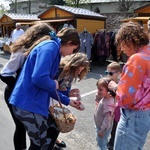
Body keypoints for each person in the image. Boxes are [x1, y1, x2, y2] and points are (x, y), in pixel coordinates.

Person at [8, 22, 81, 150]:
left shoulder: (53, 49)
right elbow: (39, 78)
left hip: (31, 104)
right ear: (69, 42)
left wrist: (68, 100)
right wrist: (54, 83)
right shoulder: (50, 48)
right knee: (40, 143)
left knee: (49, 134)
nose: (71, 53)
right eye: (73, 49)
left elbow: (48, 87)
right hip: (28, 105)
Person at [108, 22, 150, 150]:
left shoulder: (136, 59)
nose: (122, 49)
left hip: (132, 116)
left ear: (128, 41)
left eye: (121, 44)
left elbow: (126, 98)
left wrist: (115, 87)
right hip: (145, 115)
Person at [52, 52, 90, 150]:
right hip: (48, 101)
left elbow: (63, 91)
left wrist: (69, 94)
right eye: (78, 69)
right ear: (72, 65)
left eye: (81, 71)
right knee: (52, 125)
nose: (78, 72)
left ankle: (53, 141)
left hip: (56, 101)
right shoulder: (59, 69)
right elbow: (51, 90)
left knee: (57, 123)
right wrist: (68, 101)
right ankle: (51, 144)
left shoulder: (71, 74)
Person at [94, 77, 116, 150]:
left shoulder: (108, 102)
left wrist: (102, 131)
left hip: (102, 128)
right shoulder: (105, 97)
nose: (98, 91)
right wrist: (98, 94)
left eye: (100, 89)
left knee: (102, 145)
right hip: (100, 126)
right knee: (100, 142)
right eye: (98, 89)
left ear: (109, 90)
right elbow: (97, 101)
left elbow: (108, 119)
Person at [105, 62, 121, 150]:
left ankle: (112, 142)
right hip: (108, 110)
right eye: (106, 72)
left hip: (117, 111)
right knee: (107, 126)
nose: (108, 75)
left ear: (118, 74)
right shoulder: (106, 82)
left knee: (115, 127)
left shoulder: (120, 84)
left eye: (110, 73)